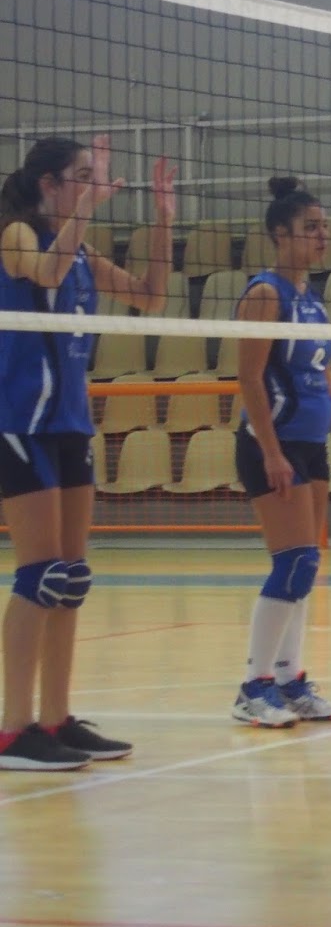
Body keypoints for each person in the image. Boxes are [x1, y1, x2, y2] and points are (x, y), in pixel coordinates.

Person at [0, 136, 174, 770]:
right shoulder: (17, 234)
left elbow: (150, 296)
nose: (95, 184)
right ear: (50, 184)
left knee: (70, 578)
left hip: (70, 422)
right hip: (20, 420)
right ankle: (13, 731)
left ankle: (56, 718)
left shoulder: (82, 251)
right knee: (39, 574)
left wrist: (161, 222)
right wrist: (89, 207)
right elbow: (44, 271)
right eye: (82, 175)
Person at [231, 177, 331, 728]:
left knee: (306, 566)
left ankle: (290, 683)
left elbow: (322, 381)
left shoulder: (313, 300)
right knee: (293, 562)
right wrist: (270, 451)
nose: (322, 236)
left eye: (324, 227)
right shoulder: (266, 294)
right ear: (280, 234)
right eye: (311, 228)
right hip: (275, 445)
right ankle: (253, 687)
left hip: (311, 446)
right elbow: (249, 377)